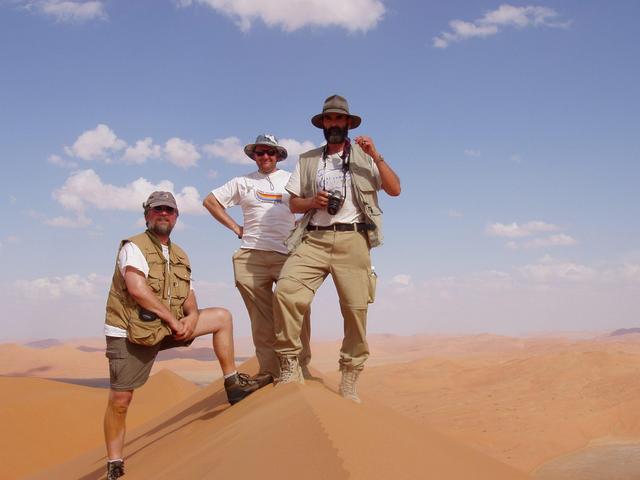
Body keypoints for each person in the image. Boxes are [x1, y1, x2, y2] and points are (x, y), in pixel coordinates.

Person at [102, 191, 258, 480]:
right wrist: (174, 320)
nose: (164, 214)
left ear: (176, 217)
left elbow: (188, 295)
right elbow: (137, 289)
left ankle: (233, 384)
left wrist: (194, 318)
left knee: (221, 317)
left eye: (169, 210)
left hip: (167, 327)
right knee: (121, 400)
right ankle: (115, 462)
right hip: (130, 332)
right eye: (157, 209)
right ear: (147, 214)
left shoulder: (179, 253)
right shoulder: (133, 247)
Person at [273, 95, 401, 403]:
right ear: (322, 124)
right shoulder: (308, 160)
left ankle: (350, 375)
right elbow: (292, 202)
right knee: (286, 292)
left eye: (339, 119)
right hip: (314, 238)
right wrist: (312, 202)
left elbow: (395, 189)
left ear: (348, 123)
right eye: (328, 120)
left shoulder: (365, 157)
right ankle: (290, 363)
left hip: (353, 240)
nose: (333, 124)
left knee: (356, 311)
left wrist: (376, 155)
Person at [203, 134, 312, 387]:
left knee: (297, 307)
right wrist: (235, 227)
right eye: (260, 152)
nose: (265, 157)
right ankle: (270, 369)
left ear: (278, 156)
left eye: (270, 153)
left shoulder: (290, 179)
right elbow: (210, 201)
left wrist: (301, 227)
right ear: (254, 156)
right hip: (251, 254)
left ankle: (300, 365)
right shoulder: (242, 182)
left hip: (287, 254)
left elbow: (309, 204)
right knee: (261, 319)